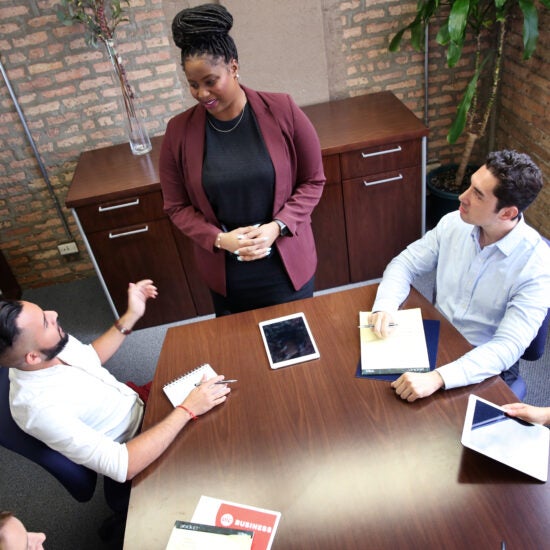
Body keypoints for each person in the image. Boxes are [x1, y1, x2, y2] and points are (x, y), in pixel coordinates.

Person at [159, 3, 325, 316]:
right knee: (239, 354)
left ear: (233, 68)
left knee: (298, 348)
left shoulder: (283, 109)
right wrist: (220, 239)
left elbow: (313, 179)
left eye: (210, 81)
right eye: (193, 84)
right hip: (227, 271)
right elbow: (176, 206)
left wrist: (277, 227)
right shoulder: (178, 132)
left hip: (286, 264)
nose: (201, 93)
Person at [0, 280, 230, 483]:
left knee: (223, 365)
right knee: (227, 450)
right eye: (45, 322)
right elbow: (124, 465)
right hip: (137, 442)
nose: (54, 314)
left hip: (137, 399)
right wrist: (188, 409)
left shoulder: (49, 345)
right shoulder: (38, 410)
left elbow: (89, 358)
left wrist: (132, 314)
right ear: (32, 357)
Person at [369, 150, 550, 402]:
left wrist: (438, 378)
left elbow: (507, 347)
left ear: (507, 213)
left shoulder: (537, 265)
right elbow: (404, 264)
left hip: (487, 363)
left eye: (477, 194)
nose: (462, 197)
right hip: (436, 340)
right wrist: (385, 307)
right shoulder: (454, 222)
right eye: (470, 186)